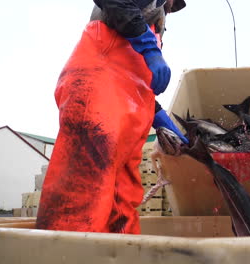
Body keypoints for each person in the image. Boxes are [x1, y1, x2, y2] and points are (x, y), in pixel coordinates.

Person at [36, 0, 187, 234]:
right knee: (82, 193)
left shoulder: (158, 18)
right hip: (96, 91)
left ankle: (121, 254)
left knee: (122, 201)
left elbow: (133, 75)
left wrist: (157, 115)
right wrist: (149, 48)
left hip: (128, 113)